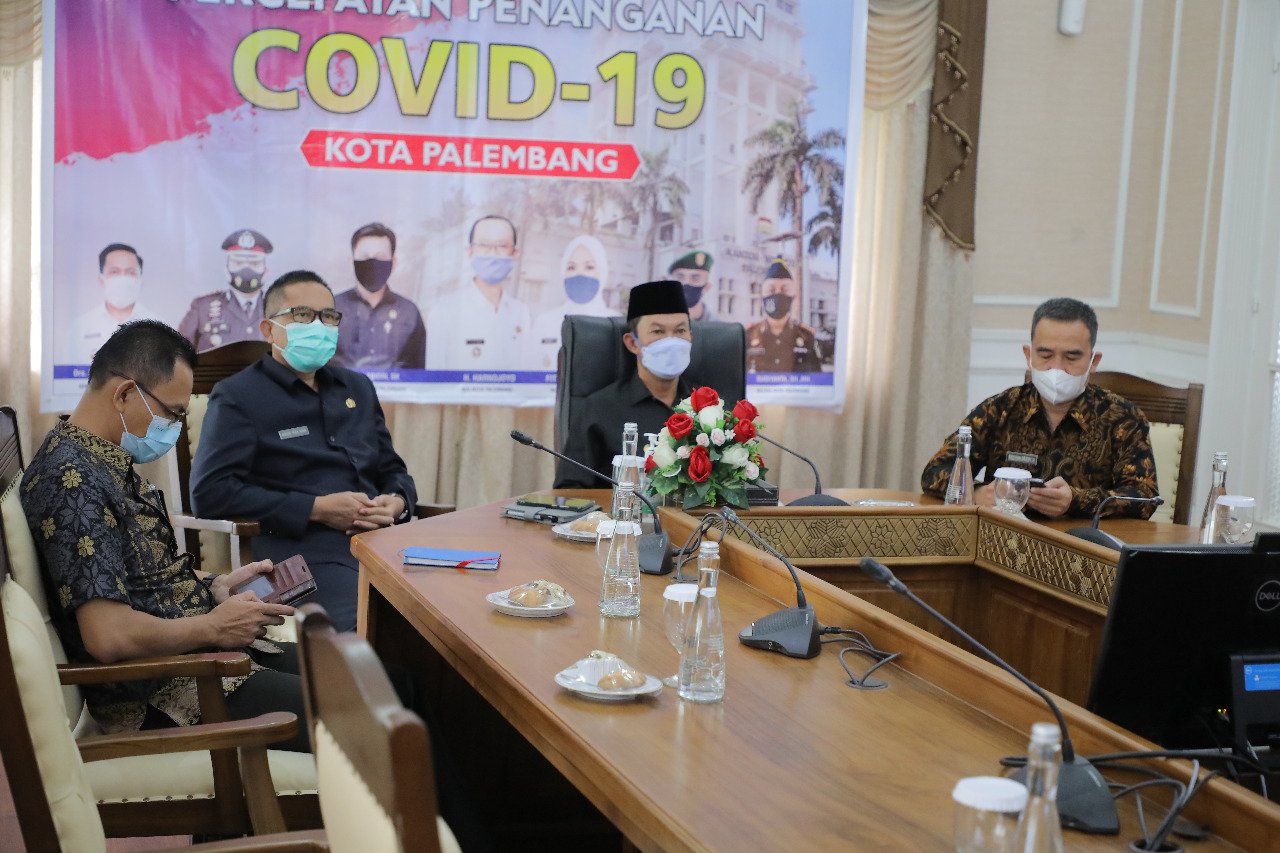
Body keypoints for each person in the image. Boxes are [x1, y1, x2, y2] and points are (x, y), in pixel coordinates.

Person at [20, 320, 309, 749]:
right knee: (364, 707)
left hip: (200, 661)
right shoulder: (72, 480)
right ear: (124, 393)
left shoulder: (98, 459)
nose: (174, 427)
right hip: (169, 691)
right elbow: (108, 635)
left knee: (374, 677)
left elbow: (138, 577)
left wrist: (214, 587)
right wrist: (213, 628)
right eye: (173, 413)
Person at [190, 270, 416, 633]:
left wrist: (397, 501)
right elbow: (210, 493)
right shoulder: (238, 396)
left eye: (328, 316)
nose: (318, 326)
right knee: (373, 626)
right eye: (303, 315)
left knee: (449, 614)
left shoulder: (357, 387)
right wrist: (316, 508)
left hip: (383, 544)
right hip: (300, 558)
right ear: (269, 329)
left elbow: (393, 470)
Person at [920, 297, 1159, 519]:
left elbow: (1145, 497)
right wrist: (976, 493)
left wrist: (1076, 500)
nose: (1057, 368)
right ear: (1028, 355)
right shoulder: (1000, 409)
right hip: (1004, 540)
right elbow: (935, 471)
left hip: (1080, 543)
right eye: (1045, 355)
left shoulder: (1123, 418)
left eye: (1072, 357)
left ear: (1093, 361)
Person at [554, 280, 693, 487]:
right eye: (658, 332)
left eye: (680, 331)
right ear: (632, 343)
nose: (671, 341)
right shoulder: (599, 408)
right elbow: (570, 490)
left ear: (691, 336)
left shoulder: (708, 408)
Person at [425, 214, 530, 370]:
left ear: (515, 254)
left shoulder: (520, 312)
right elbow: (435, 376)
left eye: (502, 246)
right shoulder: (444, 312)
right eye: (484, 245)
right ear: (470, 251)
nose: (493, 253)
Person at [332, 222, 426, 371]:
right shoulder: (331, 308)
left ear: (393, 263)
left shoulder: (409, 312)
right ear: (352, 261)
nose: (372, 263)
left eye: (380, 257)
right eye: (365, 257)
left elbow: (418, 373)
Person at [528, 234, 617, 371]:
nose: (579, 274)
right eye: (571, 267)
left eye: (589, 267)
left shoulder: (617, 324)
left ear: (602, 272)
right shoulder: (544, 322)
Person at [178, 229, 273, 352]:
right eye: (238, 263)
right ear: (226, 270)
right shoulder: (202, 306)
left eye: (254, 263)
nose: (246, 269)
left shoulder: (276, 306)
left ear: (266, 271)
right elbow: (177, 352)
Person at [70, 243, 163, 365]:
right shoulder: (80, 327)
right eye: (114, 271)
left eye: (131, 272)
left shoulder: (159, 326)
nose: (123, 278)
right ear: (101, 280)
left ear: (140, 280)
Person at [745, 257, 823, 373]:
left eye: (784, 290)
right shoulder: (748, 335)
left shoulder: (806, 337)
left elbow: (817, 378)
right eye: (771, 290)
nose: (778, 295)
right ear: (762, 296)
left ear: (794, 296)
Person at [668, 249, 715, 321]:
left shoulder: (718, 326)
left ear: (707, 287)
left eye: (695, 278)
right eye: (680, 277)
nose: (686, 283)